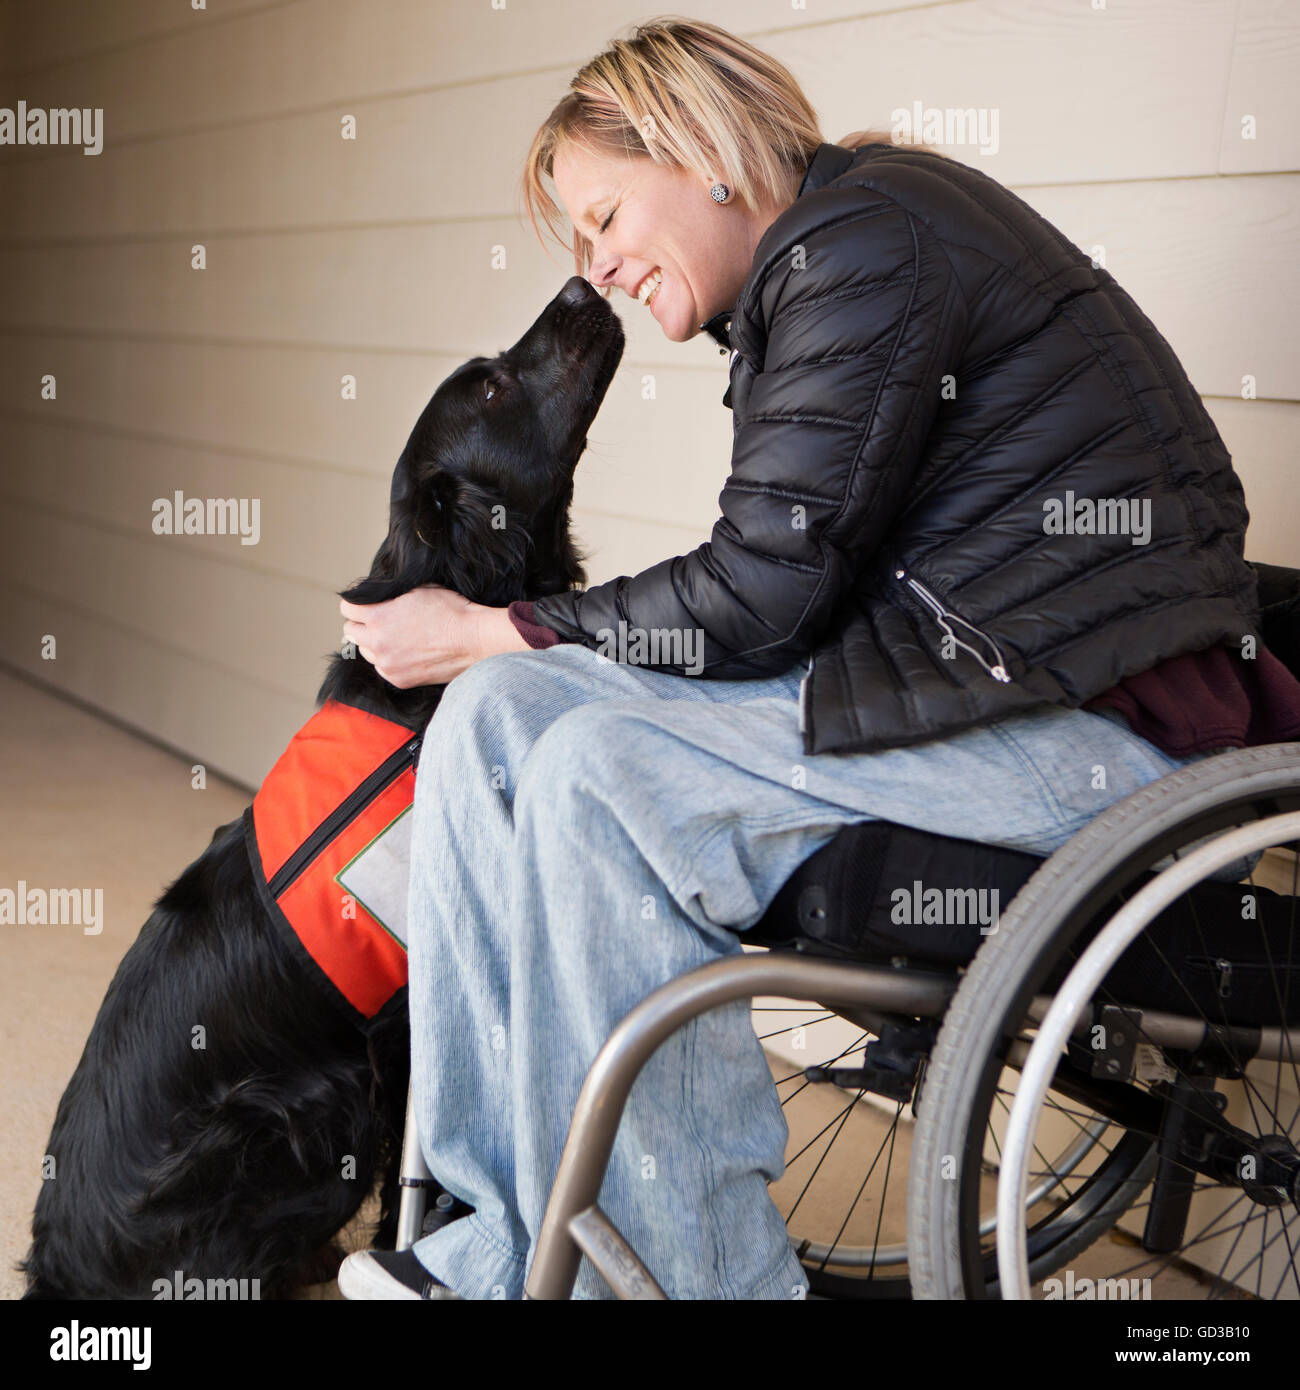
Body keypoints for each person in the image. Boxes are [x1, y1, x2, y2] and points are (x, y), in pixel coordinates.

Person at [336, 19, 1300, 1300]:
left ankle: (708, 1282)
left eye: (608, 215)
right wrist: (505, 657)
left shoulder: (866, 245)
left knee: (590, 766)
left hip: (1094, 744)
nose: (600, 265)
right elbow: (783, 586)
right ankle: (501, 1240)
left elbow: (760, 591)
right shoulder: (833, 259)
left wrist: (498, 622)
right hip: (960, 695)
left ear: (700, 154)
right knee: (496, 718)